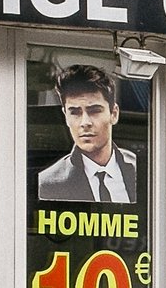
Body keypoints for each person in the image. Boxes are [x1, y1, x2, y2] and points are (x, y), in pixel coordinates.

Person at [35, 65, 138, 204]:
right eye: (75, 112)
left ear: (114, 114)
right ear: (66, 117)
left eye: (94, 111)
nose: (85, 122)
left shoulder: (140, 168)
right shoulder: (47, 183)